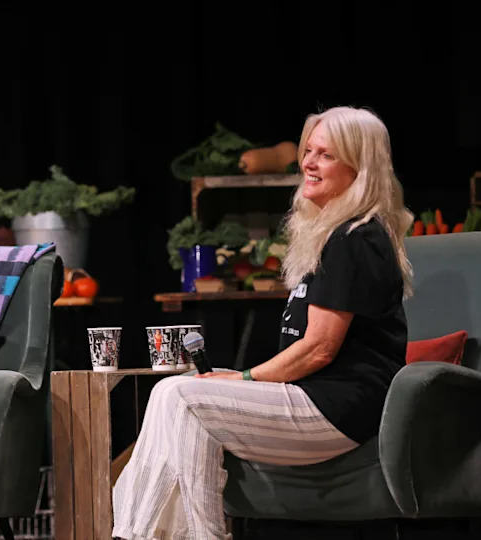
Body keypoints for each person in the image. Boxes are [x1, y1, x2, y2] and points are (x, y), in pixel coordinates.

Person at [113, 106, 414, 539]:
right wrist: (241, 379)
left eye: (326, 155)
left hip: (339, 408)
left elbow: (319, 349)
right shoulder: (333, 234)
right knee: (175, 393)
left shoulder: (355, 236)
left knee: (181, 396)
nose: (309, 163)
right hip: (316, 396)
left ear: (359, 167)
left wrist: (246, 378)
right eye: (308, 151)